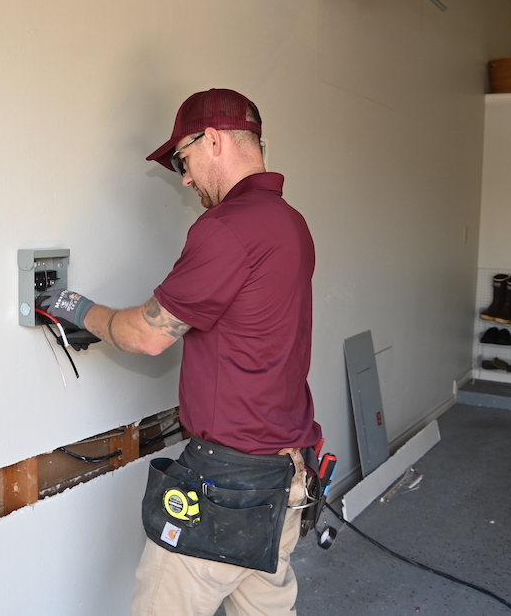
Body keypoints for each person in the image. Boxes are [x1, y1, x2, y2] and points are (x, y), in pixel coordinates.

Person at [37, 88, 321, 616]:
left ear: (213, 140)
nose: (185, 178)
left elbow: (147, 334)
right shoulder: (291, 224)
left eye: (183, 159)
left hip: (230, 485)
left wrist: (77, 308)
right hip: (285, 476)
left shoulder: (228, 228)